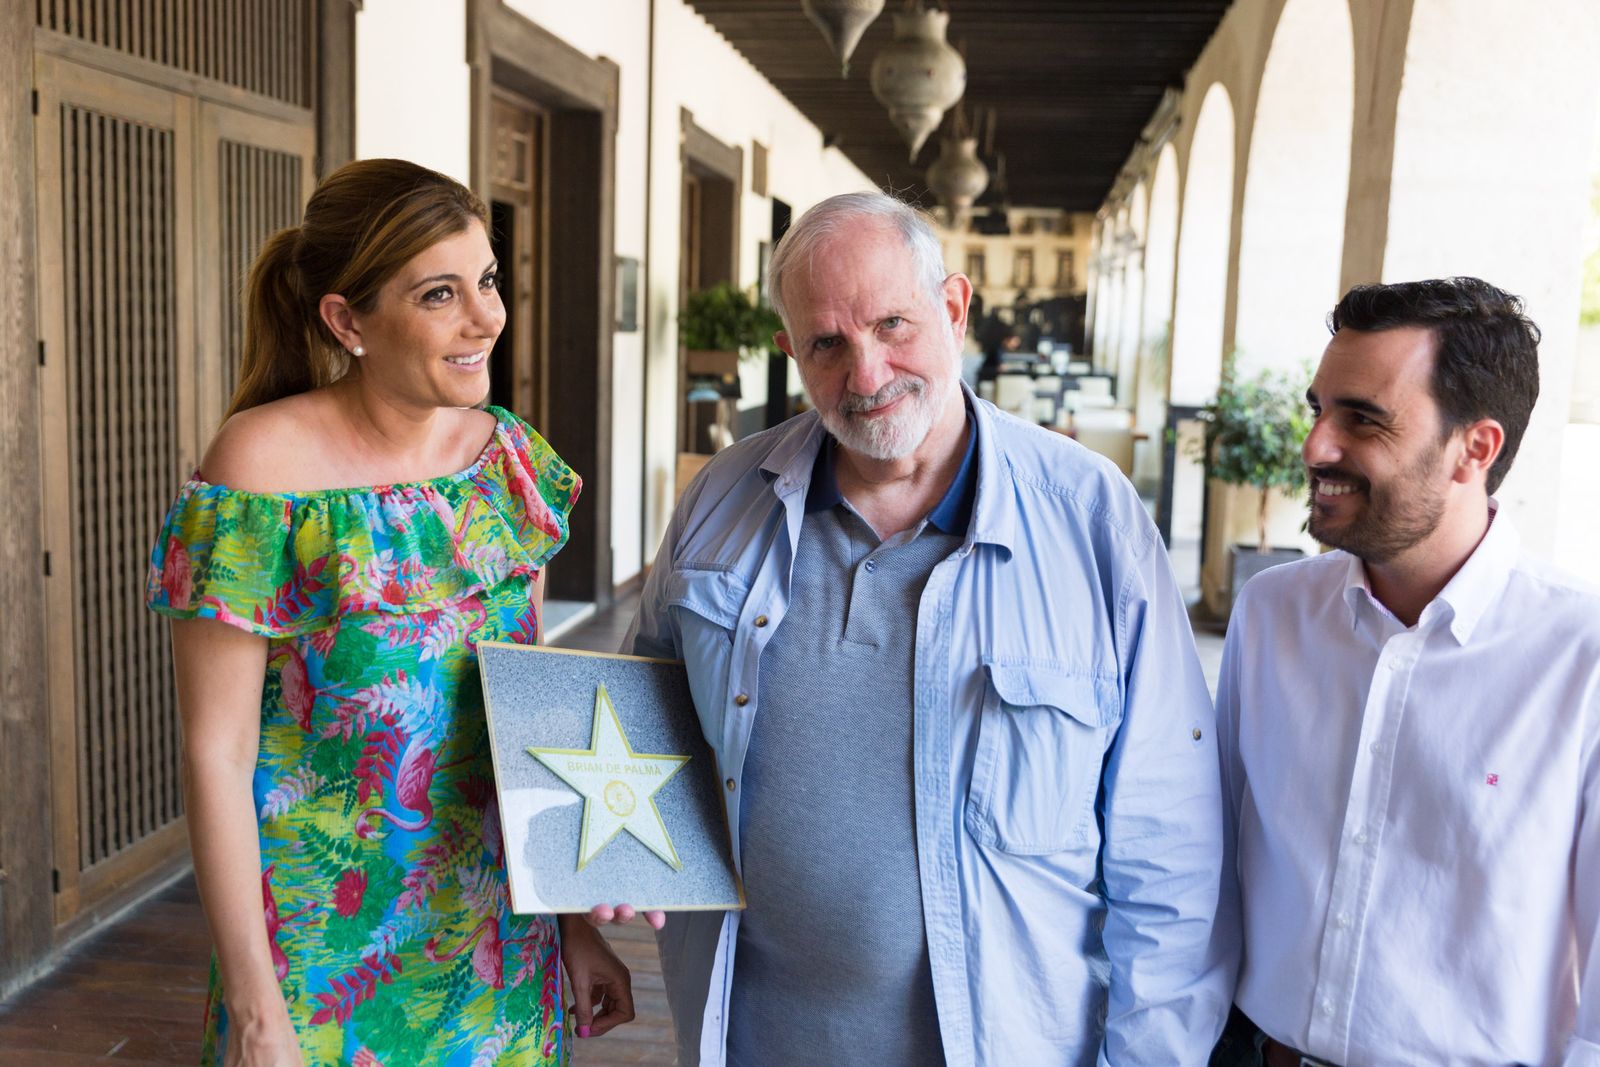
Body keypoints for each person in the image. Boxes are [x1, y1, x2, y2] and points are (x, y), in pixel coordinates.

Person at [622, 191, 1237, 1066]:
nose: (866, 375)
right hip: (751, 1039)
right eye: (828, 344)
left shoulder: (1092, 519)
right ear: (791, 350)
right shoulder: (723, 498)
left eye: (893, 325)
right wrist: (603, 868)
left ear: (954, 307)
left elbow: (1170, 848)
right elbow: (640, 715)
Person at [146, 159, 632, 1066]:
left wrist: (574, 925)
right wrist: (257, 1012)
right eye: (440, 293)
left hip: (494, 945)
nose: (485, 316)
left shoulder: (508, 466)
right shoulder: (258, 471)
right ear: (347, 319)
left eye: (486, 281)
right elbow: (217, 755)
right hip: (314, 957)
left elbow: (535, 722)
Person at [1214, 278, 1600, 1066]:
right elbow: (1207, 853)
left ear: (1475, 448)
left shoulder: (1581, 657)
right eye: (1319, 407)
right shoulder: (1271, 612)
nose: (1316, 444)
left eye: (1363, 418)